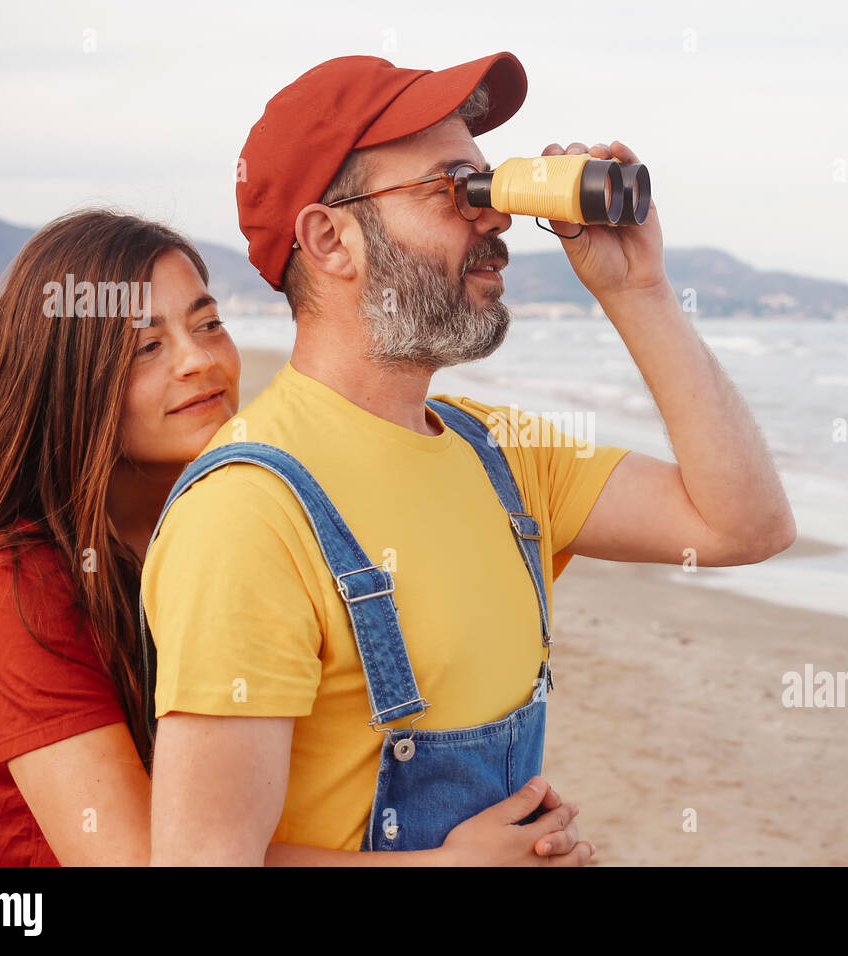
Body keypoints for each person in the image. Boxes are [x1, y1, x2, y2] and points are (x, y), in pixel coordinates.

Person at [143, 51, 796, 866]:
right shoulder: (247, 512)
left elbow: (746, 525)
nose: (495, 216)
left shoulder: (499, 454)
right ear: (329, 238)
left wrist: (639, 290)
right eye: (453, 188)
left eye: (489, 184)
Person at [0, 209, 579, 866]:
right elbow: (138, 859)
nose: (199, 361)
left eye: (208, 324)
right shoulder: (17, 586)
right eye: (147, 347)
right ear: (65, 383)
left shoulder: (245, 518)